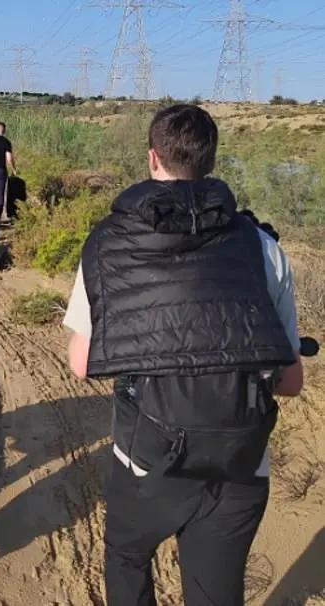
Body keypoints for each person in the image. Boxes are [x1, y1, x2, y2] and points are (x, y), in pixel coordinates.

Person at [62, 104, 303, 606]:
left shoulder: (109, 243)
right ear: (211, 161)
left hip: (148, 462)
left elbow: (83, 365)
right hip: (239, 465)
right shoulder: (261, 248)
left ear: (153, 159)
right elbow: (290, 381)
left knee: (127, 560)